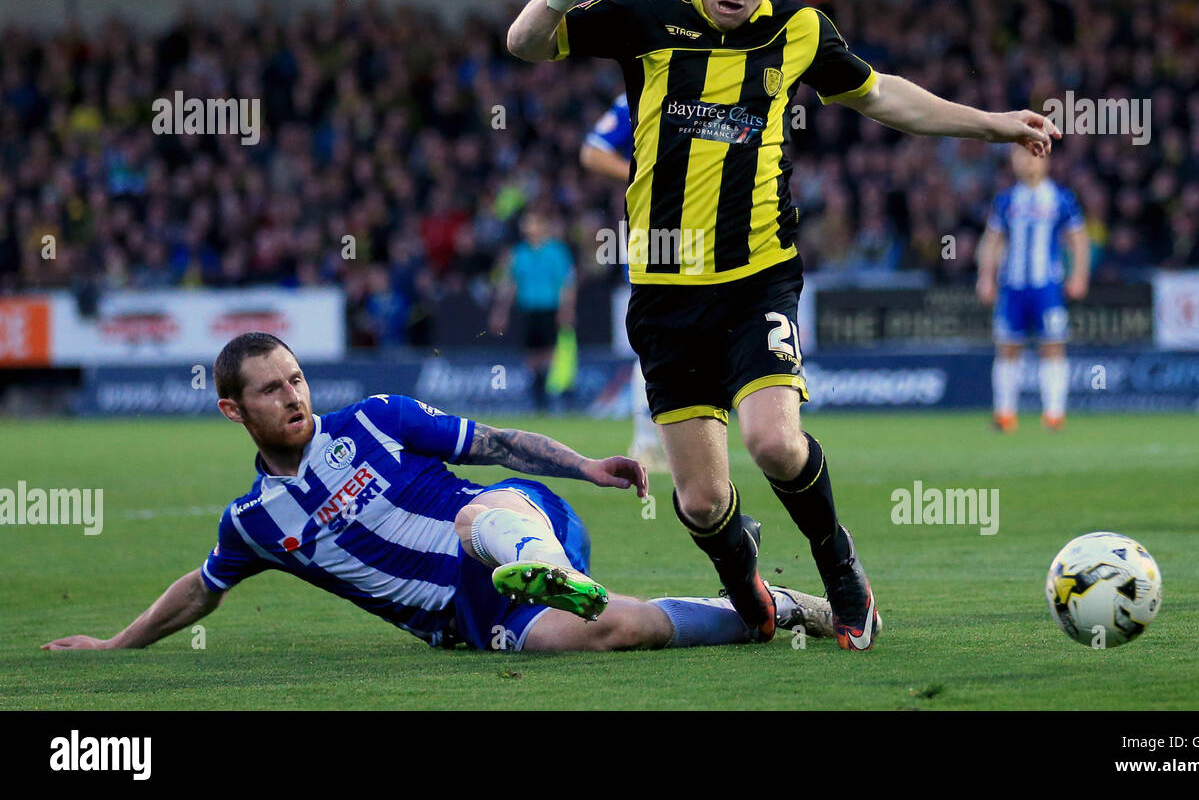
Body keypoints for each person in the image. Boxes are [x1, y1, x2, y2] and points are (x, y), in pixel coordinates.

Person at [506, 0, 1058, 651]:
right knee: (701, 501)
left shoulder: (799, 31)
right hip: (665, 291)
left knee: (775, 442)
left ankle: (840, 569)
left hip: (757, 274)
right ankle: (746, 587)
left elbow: (884, 96)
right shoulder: (645, 22)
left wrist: (993, 125)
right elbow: (523, 44)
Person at [41, 332, 834, 654]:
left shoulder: (375, 419)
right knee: (603, 636)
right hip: (470, 618)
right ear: (233, 410)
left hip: (515, 521)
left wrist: (585, 467)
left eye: (296, 379)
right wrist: (115, 646)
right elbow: (199, 590)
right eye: (270, 390)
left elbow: (494, 443)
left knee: (474, 512)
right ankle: (772, 609)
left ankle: (551, 568)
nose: (292, 397)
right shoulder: (254, 523)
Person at [580, 93, 668, 471]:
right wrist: (644, 172)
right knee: (657, 334)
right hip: (658, 230)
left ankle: (671, 439)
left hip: (711, 228)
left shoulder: (713, 77)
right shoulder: (643, 88)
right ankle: (646, 442)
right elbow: (593, 152)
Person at [976, 148, 1089, 431]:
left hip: (1046, 286)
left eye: (1031, 156)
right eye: (1020, 156)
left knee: (1052, 346)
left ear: (1045, 160)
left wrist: (1079, 275)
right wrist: (985, 278)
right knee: (1007, 348)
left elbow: (1078, 239)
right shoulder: (1006, 200)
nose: (1026, 162)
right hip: (1012, 287)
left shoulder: (1061, 198)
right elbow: (992, 241)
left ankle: (1054, 414)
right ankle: (1004, 414)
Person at [488, 211, 576, 411]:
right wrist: (500, 311)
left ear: (542, 226)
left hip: (550, 307)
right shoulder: (519, 253)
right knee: (531, 353)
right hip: (528, 308)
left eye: (532, 223)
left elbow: (567, 283)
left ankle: (558, 390)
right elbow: (510, 284)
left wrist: (567, 309)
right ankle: (539, 393)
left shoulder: (557, 251)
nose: (528, 228)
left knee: (552, 351)